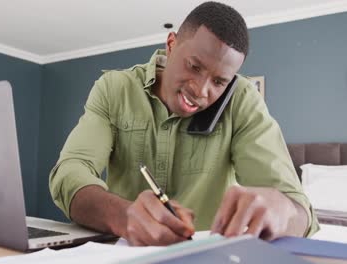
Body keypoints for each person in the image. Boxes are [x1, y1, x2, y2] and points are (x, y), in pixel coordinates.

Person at [49, 1, 319, 246]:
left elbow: (302, 214)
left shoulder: (243, 101)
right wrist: (124, 215)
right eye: (194, 67)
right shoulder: (114, 89)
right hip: (121, 253)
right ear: (171, 44)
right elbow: (69, 172)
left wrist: (283, 210)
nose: (201, 91)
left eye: (219, 82)